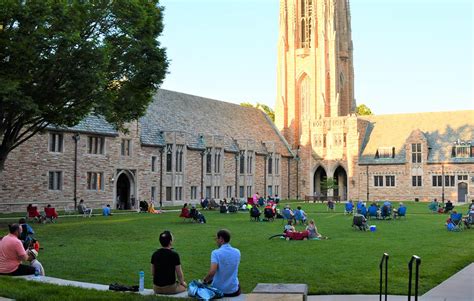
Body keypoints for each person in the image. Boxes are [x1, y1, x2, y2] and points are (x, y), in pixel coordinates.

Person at [203, 229, 241, 297]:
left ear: (221, 239)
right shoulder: (237, 252)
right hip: (233, 290)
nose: (216, 241)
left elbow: (212, 272)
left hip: (218, 290)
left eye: (216, 239)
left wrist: (204, 281)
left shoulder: (215, 253)